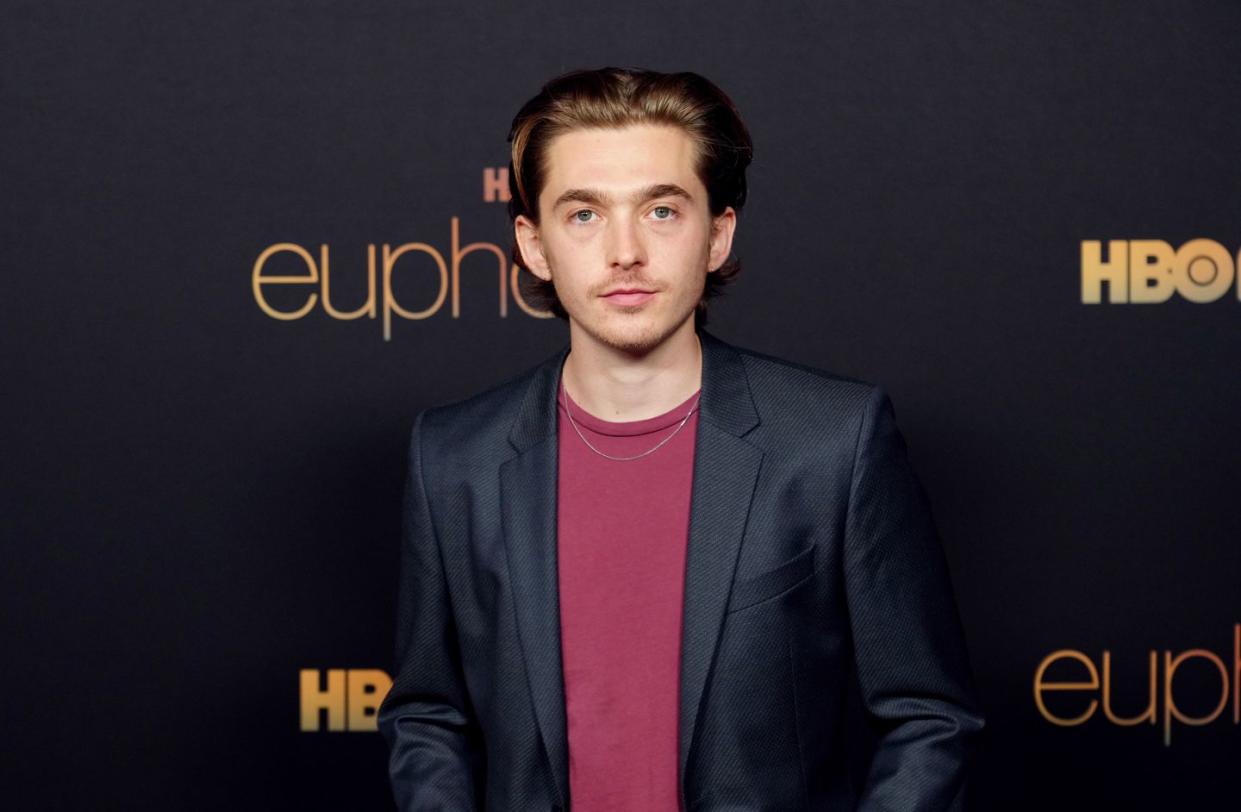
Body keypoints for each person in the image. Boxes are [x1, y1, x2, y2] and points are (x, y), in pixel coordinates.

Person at [378, 66, 985, 811]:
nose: (624, 250)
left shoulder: (833, 442)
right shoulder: (452, 456)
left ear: (717, 235)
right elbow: (428, 715)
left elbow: (927, 718)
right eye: (583, 215)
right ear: (533, 247)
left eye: (661, 211)